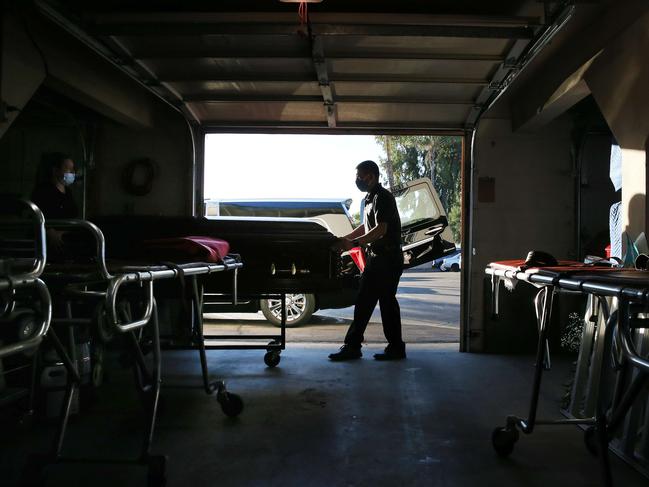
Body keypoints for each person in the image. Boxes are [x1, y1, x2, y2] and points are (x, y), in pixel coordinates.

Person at [329, 160, 406, 361]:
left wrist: (353, 243)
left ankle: (361, 346)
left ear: (371, 176)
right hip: (377, 259)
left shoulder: (383, 197)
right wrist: (346, 240)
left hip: (387, 259)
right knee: (368, 302)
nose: (358, 180)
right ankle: (381, 347)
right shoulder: (370, 199)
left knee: (379, 302)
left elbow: (381, 229)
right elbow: (366, 228)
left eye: (360, 176)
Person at [31, 152, 79, 253]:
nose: (72, 172)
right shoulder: (43, 191)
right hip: (48, 243)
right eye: (67, 168)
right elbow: (36, 215)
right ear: (55, 170)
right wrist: (50, 232)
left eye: (73, 168)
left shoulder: (68, 193)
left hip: (67, 239)